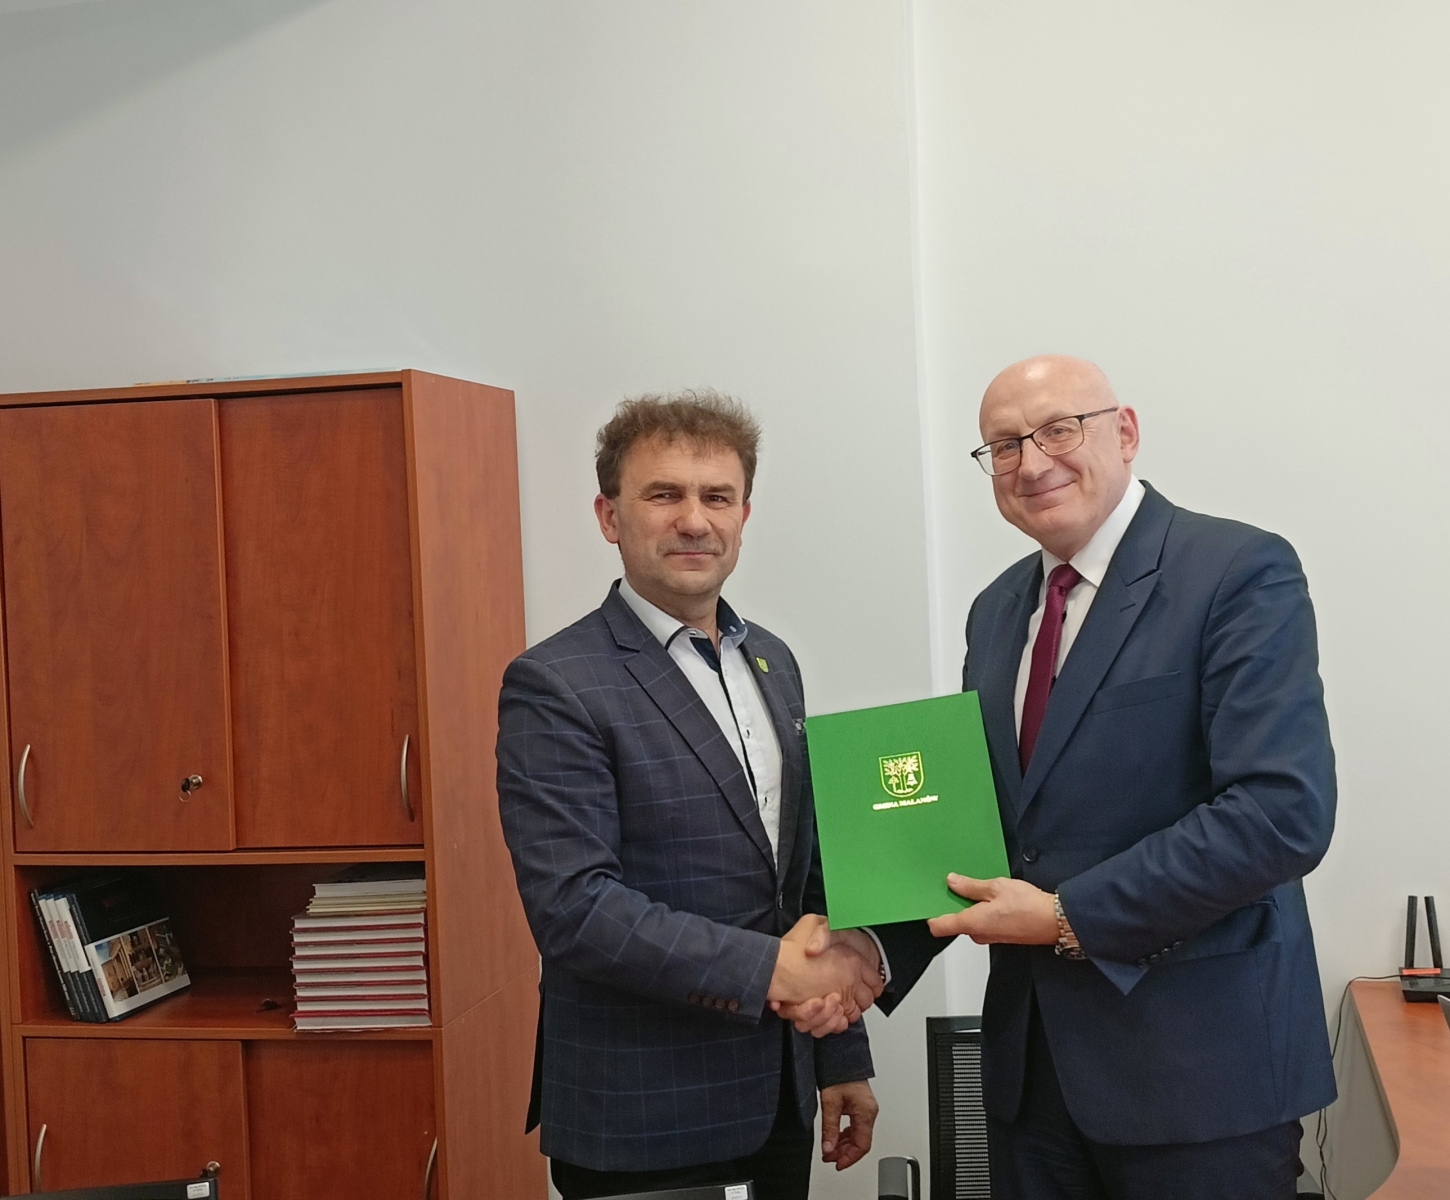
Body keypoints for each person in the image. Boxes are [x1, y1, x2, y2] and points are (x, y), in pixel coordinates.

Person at [860, 355, 1337, 1199]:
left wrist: (1066, 916)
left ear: (1125, 432)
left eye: (1058, 429)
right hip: (1031, 1080)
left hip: (1200, 1077)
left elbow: (1278, 813)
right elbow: (987, 825)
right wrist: (863, 948)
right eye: (1003, 446)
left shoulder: (1237, 570)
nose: (1031, 462)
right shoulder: (996, 609)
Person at [496, 390, 882, 1200]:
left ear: (744, 516)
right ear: (609, 516)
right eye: (664, 494)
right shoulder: (556, 683)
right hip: (644, 1115)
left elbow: (804, 874)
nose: (695, 521)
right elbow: (575, 907)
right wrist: (774, 971)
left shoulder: (773, 660)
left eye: (717, 497)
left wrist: (840, 1051)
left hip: (777, 1103)